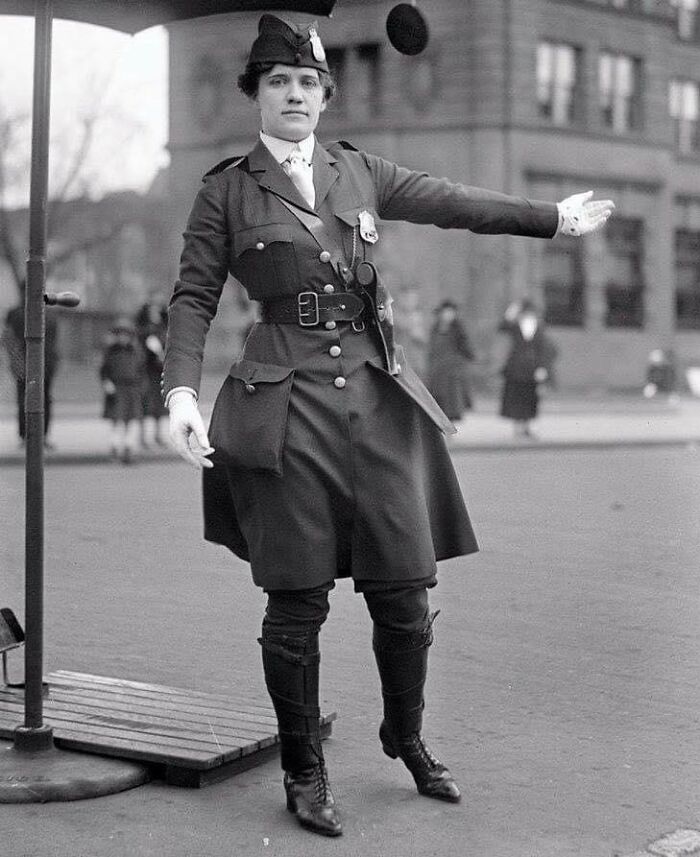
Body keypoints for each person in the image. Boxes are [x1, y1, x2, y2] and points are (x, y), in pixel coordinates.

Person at [162, 14, 614, 838]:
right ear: (256, 96)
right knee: (296, 602)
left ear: (325, 96)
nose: (294, 95)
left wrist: (549, 217)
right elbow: (192, 297)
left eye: (307, 84)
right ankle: (304, 769)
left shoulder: (359, 170)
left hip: (375, 402)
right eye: (278, 83)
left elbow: (453, 200)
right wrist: (180, 395)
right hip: (285, 407)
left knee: (406, 592)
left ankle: (405, 735)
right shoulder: (225, 190)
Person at [1, 294, 59, 448]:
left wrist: (16, 363)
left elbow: (7, 338)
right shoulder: (49, 314)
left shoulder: (16, 313)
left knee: (26, 399)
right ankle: (40, 435)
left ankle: (27, 435)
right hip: (42, 364)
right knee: (42, 399)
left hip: (30, 364)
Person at [498, 299, 558, 438]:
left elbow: (543, 349)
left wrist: (542, 368)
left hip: (532, 369)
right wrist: (512, 311)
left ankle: (527, 426)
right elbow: (502, 326)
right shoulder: (515, 326)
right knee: (516, 397)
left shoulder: (539, 328)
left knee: (530, 399)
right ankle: (518, 427)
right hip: (516, 368)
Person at [99, 318, 144, 464]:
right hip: (116, 388)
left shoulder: (136, 351)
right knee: (116, 421)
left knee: (132, 422)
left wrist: (141, 388)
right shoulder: (110, 352)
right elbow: (103, 371)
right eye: (119, 334)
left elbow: (142, 371)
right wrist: (107, 383)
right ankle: (115, 448)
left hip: (133, 388)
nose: (122, 337)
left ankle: (129, 449)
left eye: (126, 334)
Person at [426, 300, 475, 422]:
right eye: (446, 312)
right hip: (437, 372)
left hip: (452, 373)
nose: (448, 315)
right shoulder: (435, 329)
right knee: (436, 404)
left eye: (450, 312)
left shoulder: (458, 330)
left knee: (451, 404)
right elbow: (431, 350)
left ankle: (449, 428)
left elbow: (467, 350)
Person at [134, 299, 169, 447]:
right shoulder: (142, 329)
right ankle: (143, 437)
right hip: (145, 372)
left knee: (160, 404)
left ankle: (158, 435)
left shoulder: (165, 329)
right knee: (145, 403)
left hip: (159, 371)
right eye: (152, 310)